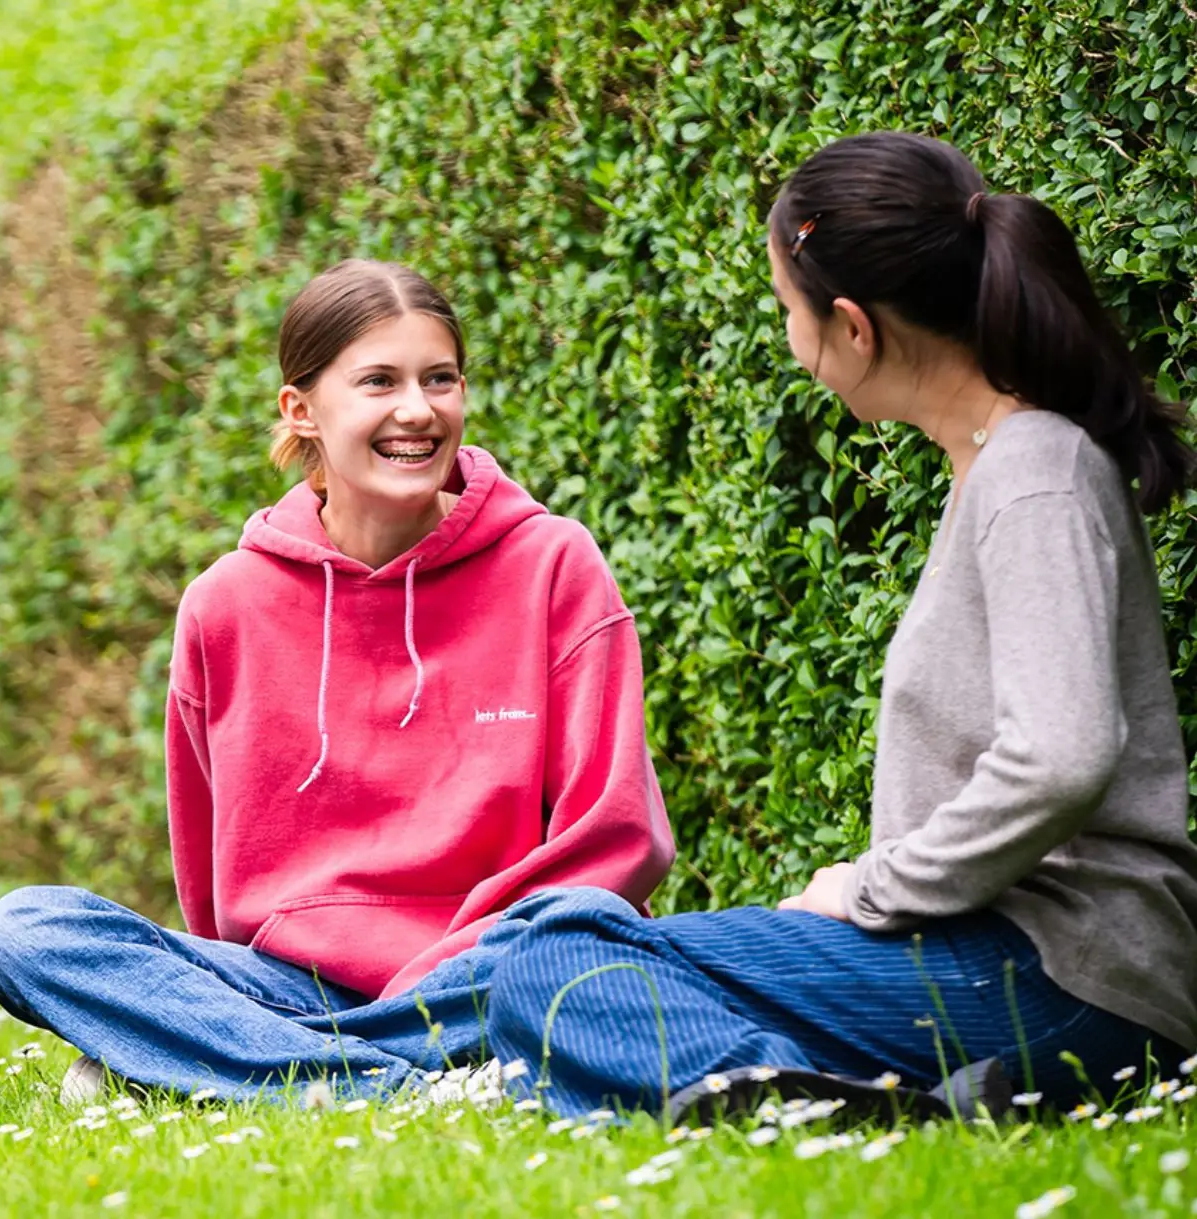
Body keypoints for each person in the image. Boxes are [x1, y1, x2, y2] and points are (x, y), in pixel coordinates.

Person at [486, 132, 1197, 1121]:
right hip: (1000, 964)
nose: (790, 339)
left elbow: (1063, 755)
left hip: (1066, 978)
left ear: (853, 328)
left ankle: (803, 1100)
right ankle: (865, 1100)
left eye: (788, 311)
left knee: (550, 961)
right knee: (550, 950)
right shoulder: (1002, 467)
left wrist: (870, 889)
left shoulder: (1035, 475)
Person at [0, 259, 676, 1103]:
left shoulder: (552, 563)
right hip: (293, 982)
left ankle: (229, 1060)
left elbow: (614, 838)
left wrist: (429, 973)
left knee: (590, 934)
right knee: (24, 930)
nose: (417, 410)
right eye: (378, 380)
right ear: (300, 409)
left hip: (494, 968)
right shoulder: (224, 605)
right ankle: (396, 1081)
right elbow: (209, 878)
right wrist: (239, 996)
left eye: (440, 378)